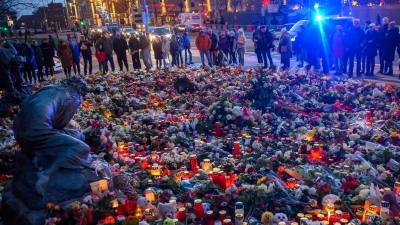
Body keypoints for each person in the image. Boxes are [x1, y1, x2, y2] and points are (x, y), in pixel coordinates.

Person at [12, 76, 89, 196]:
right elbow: (61, 124)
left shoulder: (50, 87)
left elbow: (24, 103)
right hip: (36, 133)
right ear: (81, 91)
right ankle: (46, 174)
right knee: (82, 148)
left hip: (18, 131)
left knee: (78, 135)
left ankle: (37, 152)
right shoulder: (74, 97)